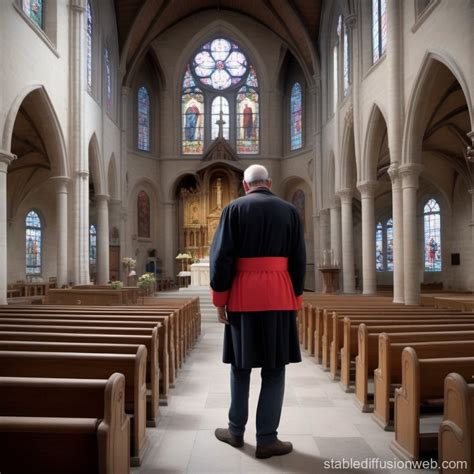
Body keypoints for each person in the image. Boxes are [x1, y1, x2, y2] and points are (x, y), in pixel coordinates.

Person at [209, 164, 306, 459]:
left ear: (244, 185)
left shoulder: (233, 210)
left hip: (243, 297)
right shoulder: (290, 211)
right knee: (274, 369)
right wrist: (296, 298)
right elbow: (299, 259)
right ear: (270, 183)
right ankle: (266, 439)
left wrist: (219, 299)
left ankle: (235, 431)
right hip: (279, 295)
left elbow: (221, 258)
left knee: (240, 368)